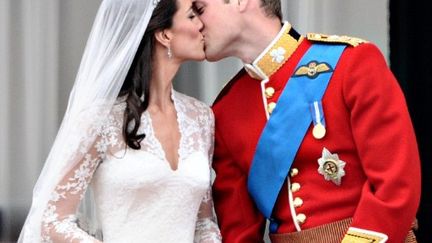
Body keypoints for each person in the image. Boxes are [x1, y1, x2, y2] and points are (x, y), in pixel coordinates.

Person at [193, 0, 421, 242]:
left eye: (200, 10)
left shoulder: (351, 63)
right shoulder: (227, 110)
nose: (195, 24)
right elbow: (238, 232)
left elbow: (395, 188)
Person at [18, 0, 221, 242]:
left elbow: (204, 222)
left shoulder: (201, 118)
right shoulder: (101, 119)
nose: (202, 25)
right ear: (165, 34)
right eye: (192, 16)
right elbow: (52, 219)